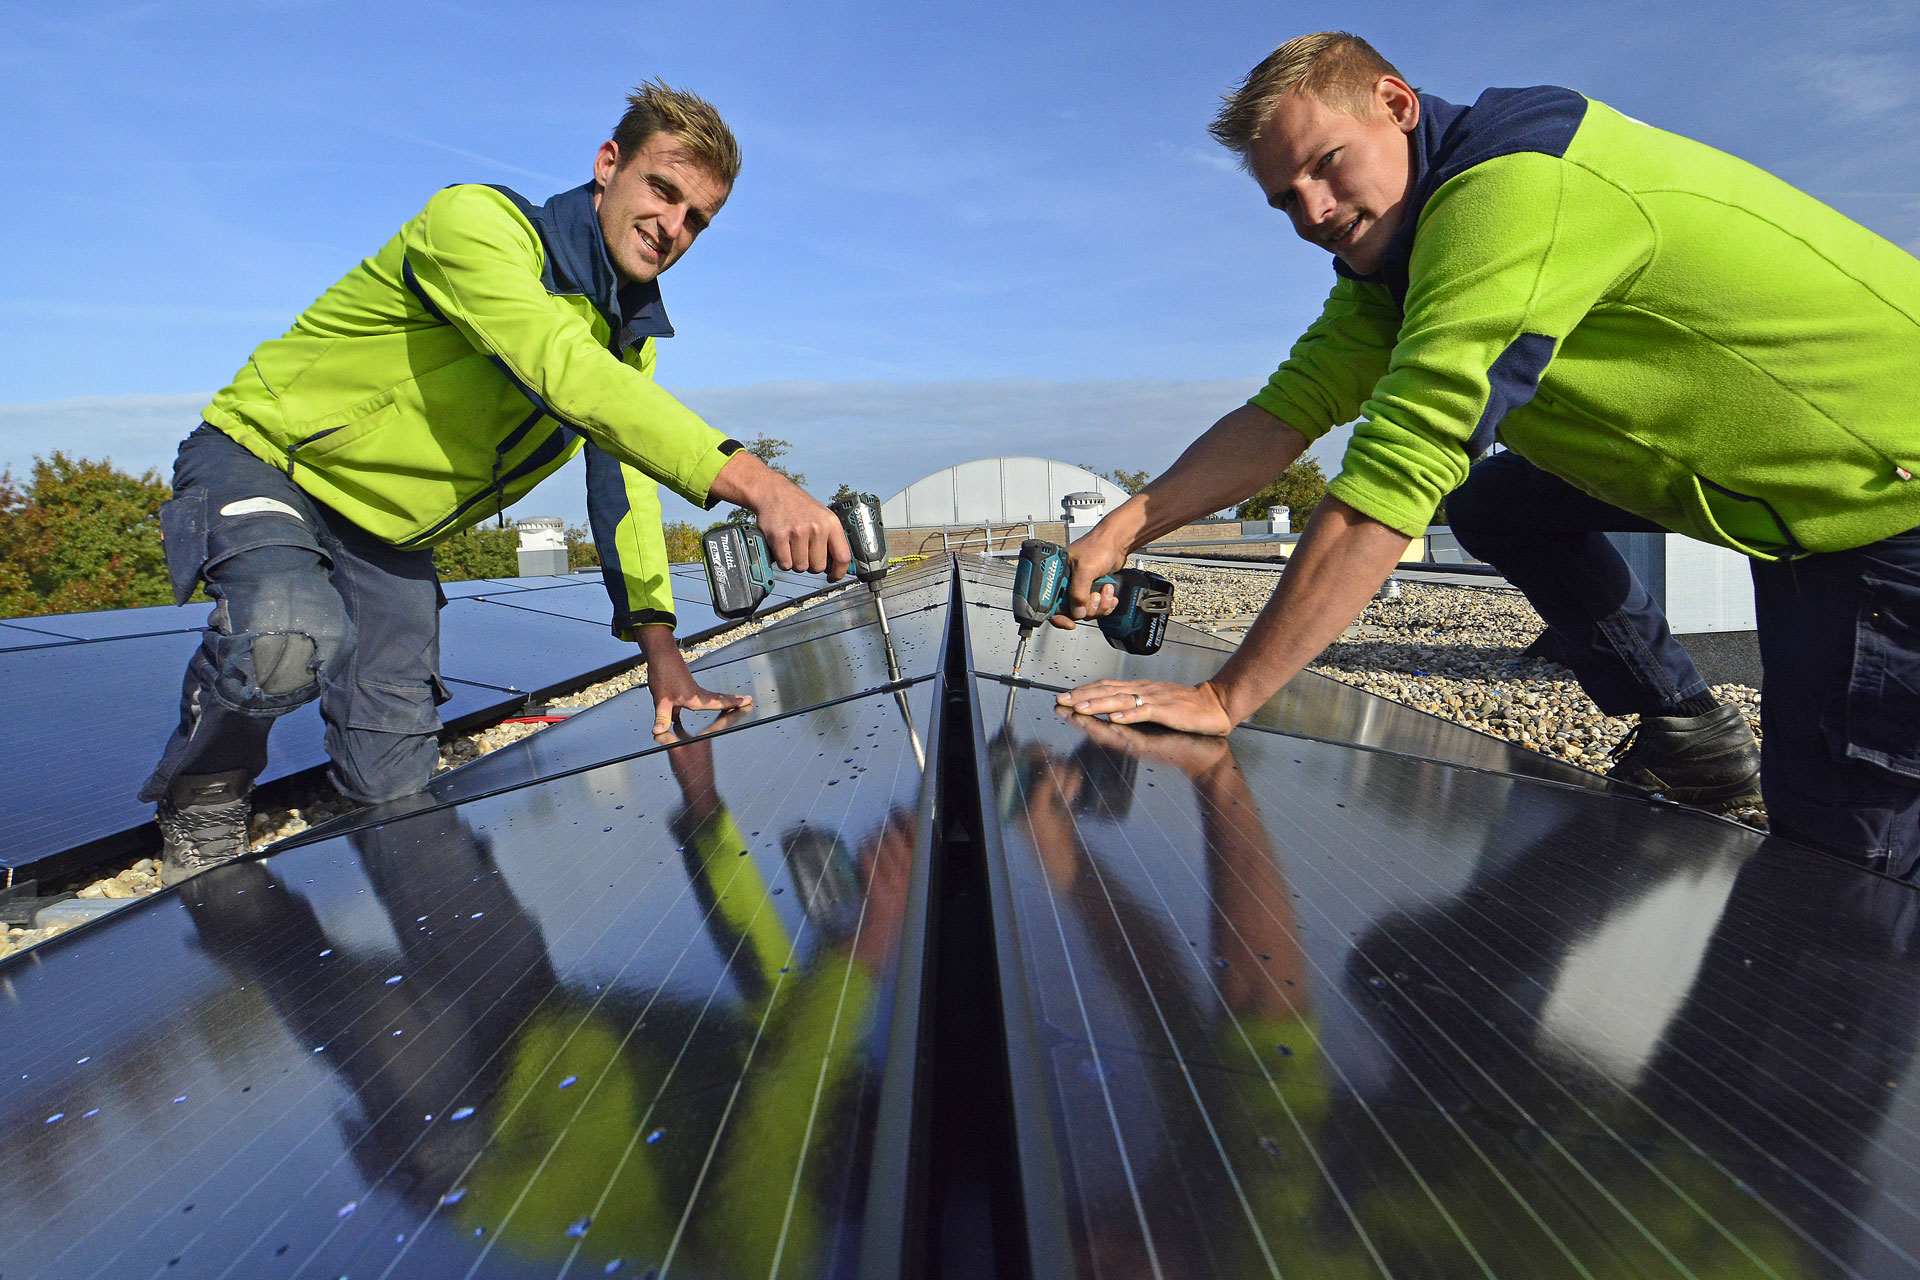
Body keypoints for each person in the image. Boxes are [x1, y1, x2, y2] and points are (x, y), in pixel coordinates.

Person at [1057, 32, 1920, 876]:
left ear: (1396, 105)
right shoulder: (1395, 260)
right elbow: (1285, 412)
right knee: (1499, 501)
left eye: (1325, 164)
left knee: (1843, 850)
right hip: (1769, 472)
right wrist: (1124, 527)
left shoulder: (1510, 196)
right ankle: (1688, 732)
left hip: (1876, 490)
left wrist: (1225, 697)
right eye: (1285, 197)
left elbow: (1399, 469)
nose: (1312, 212)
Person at [143, 81, 851, 885]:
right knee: (286, 633)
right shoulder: (477, 226)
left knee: (393, 788)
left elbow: (625, 495)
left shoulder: (625, 344)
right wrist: (758, 481)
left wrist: (663, 652)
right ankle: (203, 790)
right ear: (608, 164)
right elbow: (562, 369)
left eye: (697, 218)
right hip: (270, 456)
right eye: (663, 189)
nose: (673, 227)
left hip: (388, 534)